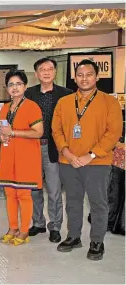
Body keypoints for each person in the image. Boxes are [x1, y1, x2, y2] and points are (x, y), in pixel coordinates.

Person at [52, 59, 122, 261]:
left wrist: (89, 155)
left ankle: (97, 241)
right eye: (80, 75)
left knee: (98, 203)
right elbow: (56, 130)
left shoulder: (110, 102)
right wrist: (67, 152)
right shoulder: (64, 102)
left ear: (97, 77)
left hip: (97, 163)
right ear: (75, 78)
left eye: (89, 74)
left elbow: (113, 133)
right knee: (72, 202)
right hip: (68, 162)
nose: (84, 78)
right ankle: (74, 236)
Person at [24, 58, 73, 242]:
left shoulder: (66, 94)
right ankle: (38, 223)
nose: (46, 72)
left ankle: (55, 226)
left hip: (54, 148)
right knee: (34, 188)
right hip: (32, 147)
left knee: (54, 189)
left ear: (55, 72)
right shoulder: (28, 94)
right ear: (36, 74)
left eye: (50, 69)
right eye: (42, 69)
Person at [0, 70, 44, 246]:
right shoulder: (5, 108)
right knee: (10, 193)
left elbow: (39, 132)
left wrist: (13, 132)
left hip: (26, 157)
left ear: (25, 86)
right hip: (8, 156)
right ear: (6, 88)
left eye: (18, 84)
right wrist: (1, 137)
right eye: (11, 84)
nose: (14, 88)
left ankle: (24, 230)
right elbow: (2, 132)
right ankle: (12, 227)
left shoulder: (32, 106)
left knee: (23, 194)